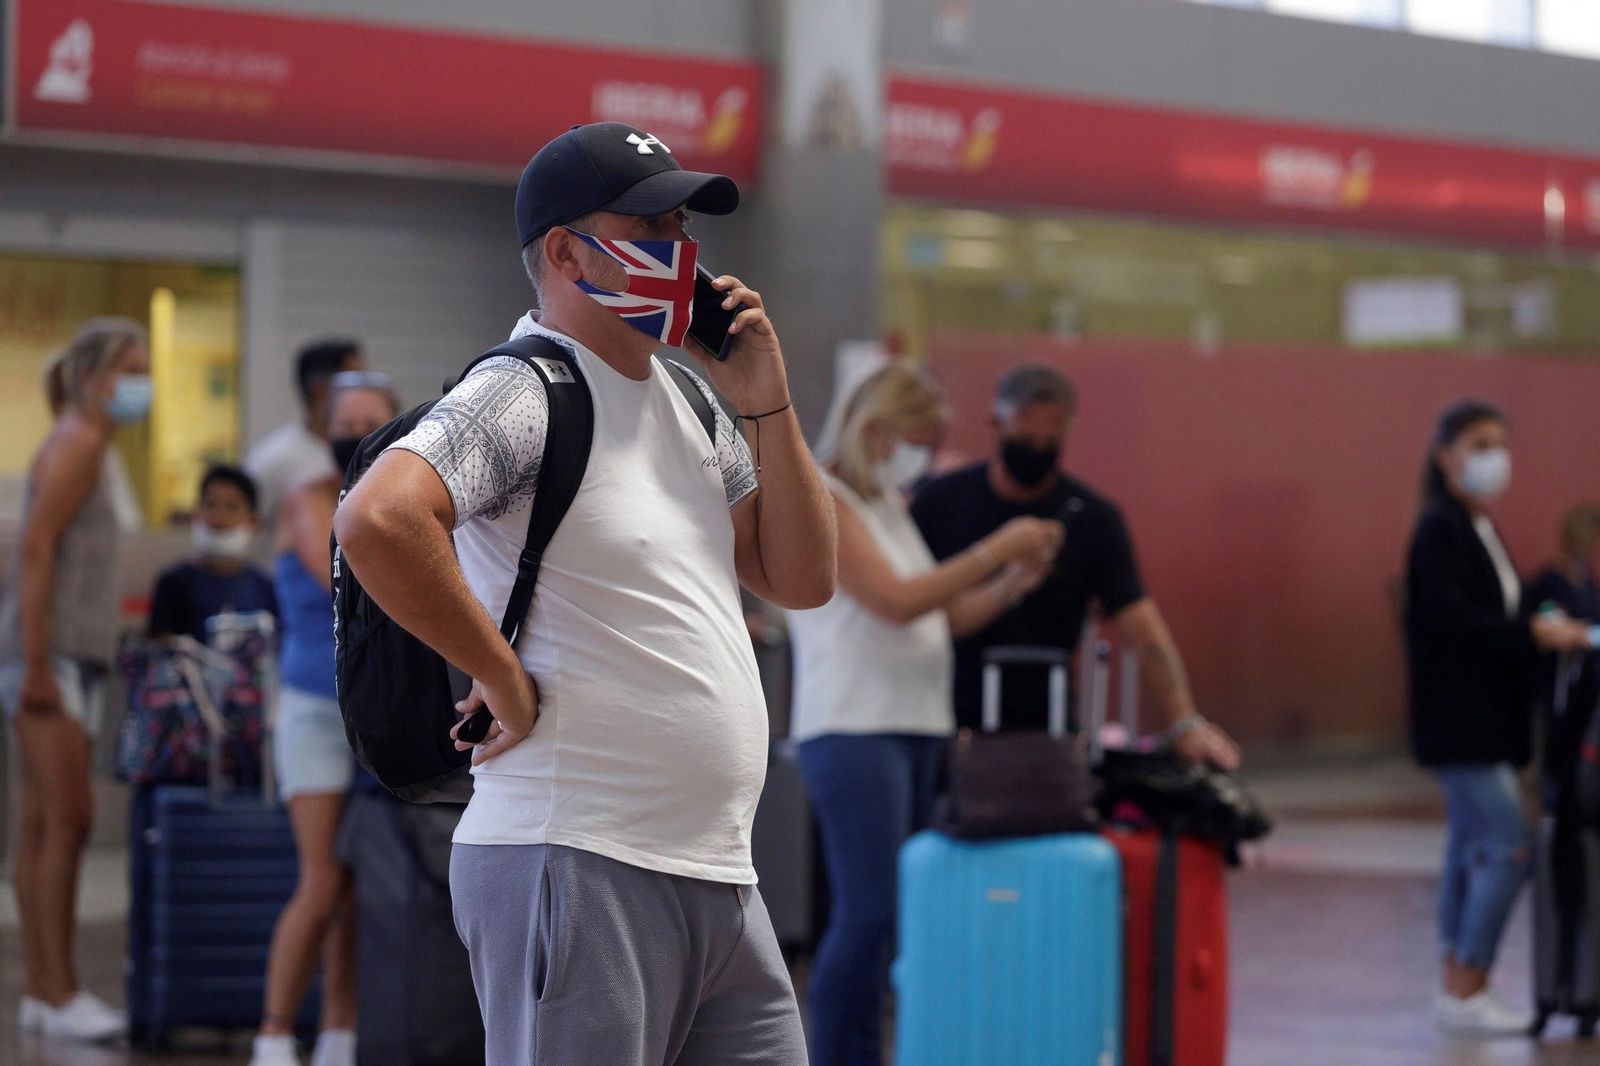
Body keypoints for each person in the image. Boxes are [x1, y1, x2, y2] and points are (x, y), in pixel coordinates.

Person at [333, 121, 836, 1066]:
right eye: (650, 224)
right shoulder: (526, 389)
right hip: (578, 856)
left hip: (716, 869)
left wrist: (765, 397)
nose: (680, 250)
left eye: (684, 222)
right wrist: (500, 674)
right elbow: (376, 520)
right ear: (565, 250)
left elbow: (798, 577)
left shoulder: (687, 397)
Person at [786, 363, 1061, 1066]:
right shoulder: (827, 494)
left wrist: (1010, 584)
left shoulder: (887, 504)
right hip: (855, 728)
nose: (929, 452)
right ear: (876, 425)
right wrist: (995, 548)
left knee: (900, 911)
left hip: (915, 723)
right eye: (922, 436)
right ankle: (836, 1055)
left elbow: (939, 617)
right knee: (867, 908)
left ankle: (869, 1049)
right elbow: (899, 600)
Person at [911, 364, 1240, 768]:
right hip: (941, 713)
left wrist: (1184, 719)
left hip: (1046, 716)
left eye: (1050, 439)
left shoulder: (1090, 518)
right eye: (1025, 436)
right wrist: (1001, 563)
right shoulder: (940, 502)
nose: (1036, 448)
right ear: (995, 424)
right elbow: (920, 610)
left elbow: (1142, 625)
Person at [1404, 399, 1592, 1036]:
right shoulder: (1440, 530)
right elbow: (1455, 622)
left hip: (1488, 721)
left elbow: (1500, 611)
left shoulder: (1479, 526)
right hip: (1460, 723)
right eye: (1479, 443)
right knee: (1510, 847)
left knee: (1467, 850)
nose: (1493, 457)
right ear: (1445, 454)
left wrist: (1543, 620)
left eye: (1499, 443)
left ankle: (1456, 985)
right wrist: (1532, 636)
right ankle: (1468, 978)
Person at [0, 318, 151, 1042]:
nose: (142, 382)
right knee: (66, 821)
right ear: (95, 378)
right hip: (48, 658)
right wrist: (34, 665)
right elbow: (33, 550)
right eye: (132, 367)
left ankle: (41, 991)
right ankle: (59, 995)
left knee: (40, 825)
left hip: (63, 657)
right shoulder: (80, 443)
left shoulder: (88, 445)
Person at [250, 374, 399, 1066]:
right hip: (313, 707)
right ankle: (275, 1032)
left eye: (374, 420)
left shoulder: (403, 501)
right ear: (324, 428)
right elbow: (340, 571)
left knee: (359, 879)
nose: (358, 431)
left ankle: (342, 1027)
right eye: (347, 421)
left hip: (371, 712)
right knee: (319, 879)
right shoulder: (308, 499)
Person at [147, 466, 277, 644]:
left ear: (253, 522)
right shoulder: (174, 584)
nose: (219, 515)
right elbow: (161, 650)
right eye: (210, 504)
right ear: (197, 513)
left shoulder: (266, 588)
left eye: (231, 507)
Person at [245, 339, 365, 527]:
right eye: (354, 382)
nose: (365, 392)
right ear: (319, 389)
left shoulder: (371, 452)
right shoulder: (272, 460)